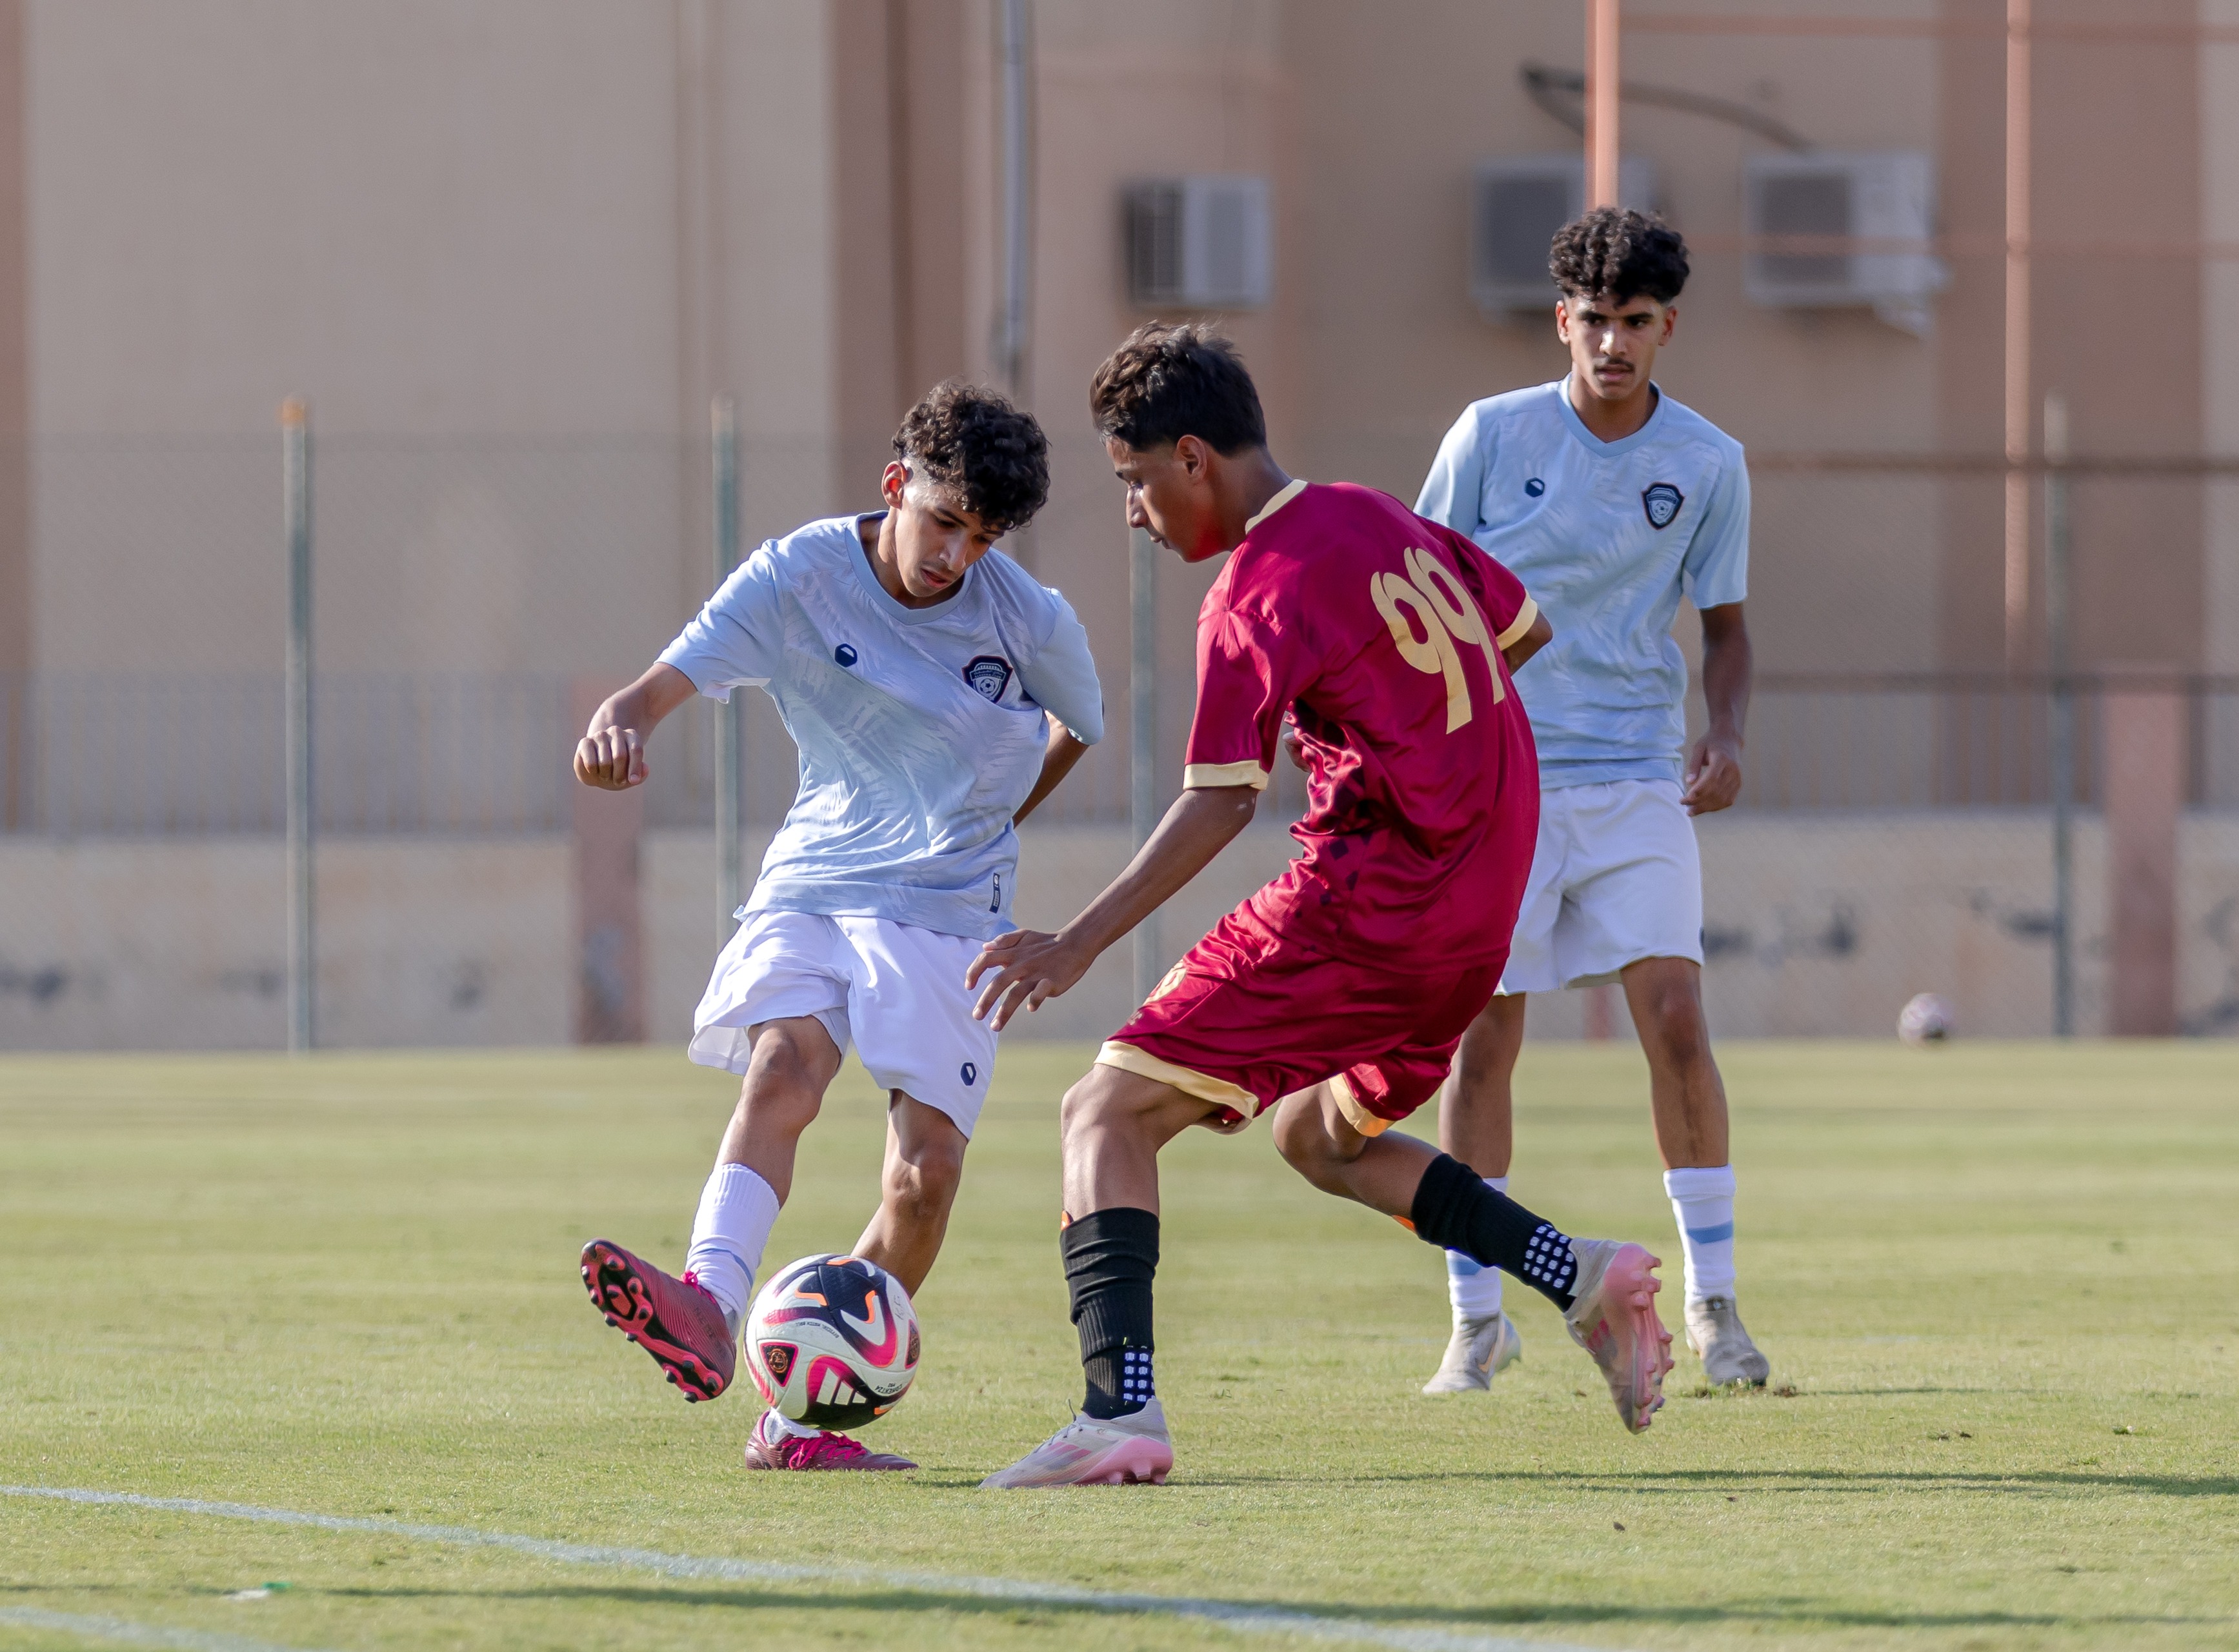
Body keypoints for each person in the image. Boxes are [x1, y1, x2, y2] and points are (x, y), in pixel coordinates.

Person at [969, 323, 1672, 1490]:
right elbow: (1525, 628)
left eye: (1132, 482)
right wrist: (1393, 728)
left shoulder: (1253, 590)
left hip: (1374, 901)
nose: (1133, 514)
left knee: (1102, 1112)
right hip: (1479, 910)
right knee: (1317, 1134)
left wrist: (1076, 940)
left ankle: (1115, 1413)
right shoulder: (1383, 514)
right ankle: (1579, 1273)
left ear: (1192, 457)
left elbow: (1215, 803)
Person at [574, 382, 1104, 1471]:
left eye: (983, 535)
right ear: (894, 483)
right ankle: (708, 1307)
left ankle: (801, 1422)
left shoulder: (1028, 617)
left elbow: (1080, 726)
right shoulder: (799, 574)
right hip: (816, 877)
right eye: (943, 520)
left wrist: (990, 818)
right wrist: (619, 720)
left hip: (949, 910)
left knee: (923, 1181)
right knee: (782, 1070)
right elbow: (662, 682)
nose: (956, 555)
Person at [1412, 206, 1767, 1394]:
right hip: (1494, 778)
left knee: (1674, 1016)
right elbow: (1414, 589)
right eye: (1593, 321)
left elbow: (1724, 631)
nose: (1611, 343)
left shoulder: (1708, 463)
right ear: (1561, 321)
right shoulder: (1488, 434)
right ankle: (1475, 1320)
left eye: (1635, 322)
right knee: (1482, 1037)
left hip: (1631, 777)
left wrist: (1722, 733)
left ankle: (1713, 1305)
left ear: (1667, 327)